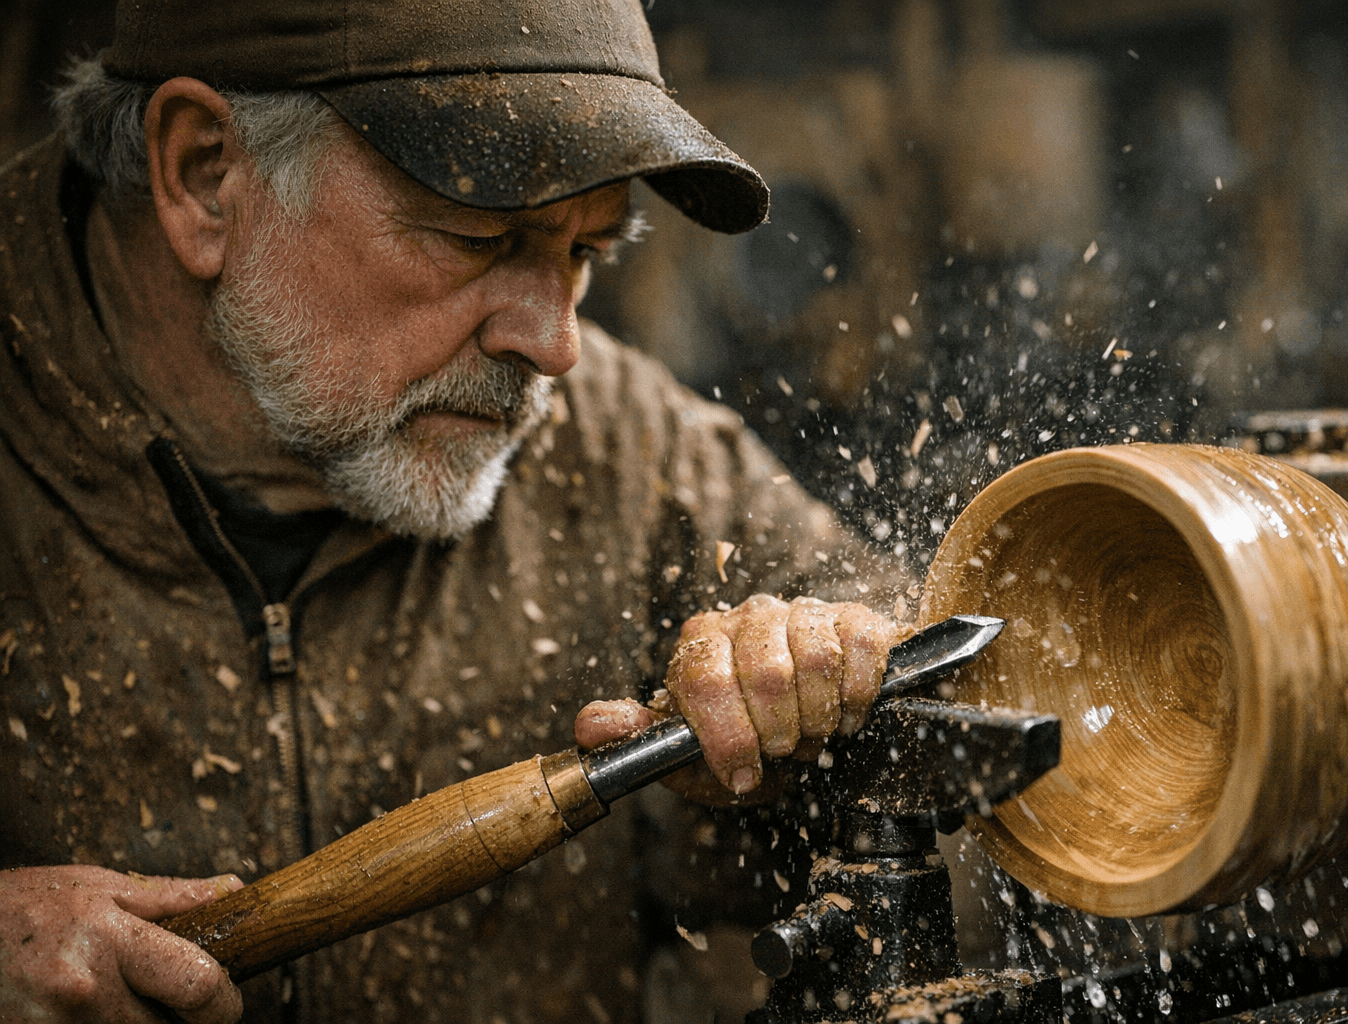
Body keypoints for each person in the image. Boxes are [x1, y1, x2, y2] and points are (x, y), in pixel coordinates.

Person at [0, 1, 914, 1021]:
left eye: (585, 253)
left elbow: (941, 693)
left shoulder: (623, 451)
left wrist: (803, 735)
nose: (555, 345)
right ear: (205, 172)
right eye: (480, 236)